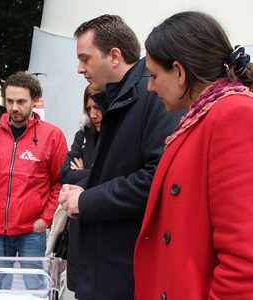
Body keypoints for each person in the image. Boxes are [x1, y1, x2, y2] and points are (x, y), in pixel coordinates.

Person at [133, 11, 253, 299]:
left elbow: (246, 267)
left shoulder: (237, 116)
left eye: (154, 75)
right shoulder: (207, 116)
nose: (150, 87)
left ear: (179, 72)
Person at [57, 15, 183, 299]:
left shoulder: (152, 95)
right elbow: (118, 170)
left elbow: (157, 178)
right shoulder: (118, 96)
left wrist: (86, 199)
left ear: (114, 56)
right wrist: (85, 185)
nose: (80, 69)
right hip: (110, 262)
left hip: (126, 266)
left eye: (85, 58)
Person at [0, 71, 68, 289]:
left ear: (35, 100)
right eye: (10, 101)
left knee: (35, 287)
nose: (14, 107)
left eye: (21, 101)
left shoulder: (53, 136)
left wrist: (46, 219)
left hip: (31, 232)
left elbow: (59, 182)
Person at [51, 85, 101, 292]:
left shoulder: (117, 135)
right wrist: (94, 172)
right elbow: (65, 174)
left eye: (97, 107)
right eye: (88, 108)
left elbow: (116, 174)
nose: (93, 114)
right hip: (78, 224)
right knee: (80, 286)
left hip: (101, 220)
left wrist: (86, 171)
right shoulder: (84, 134)